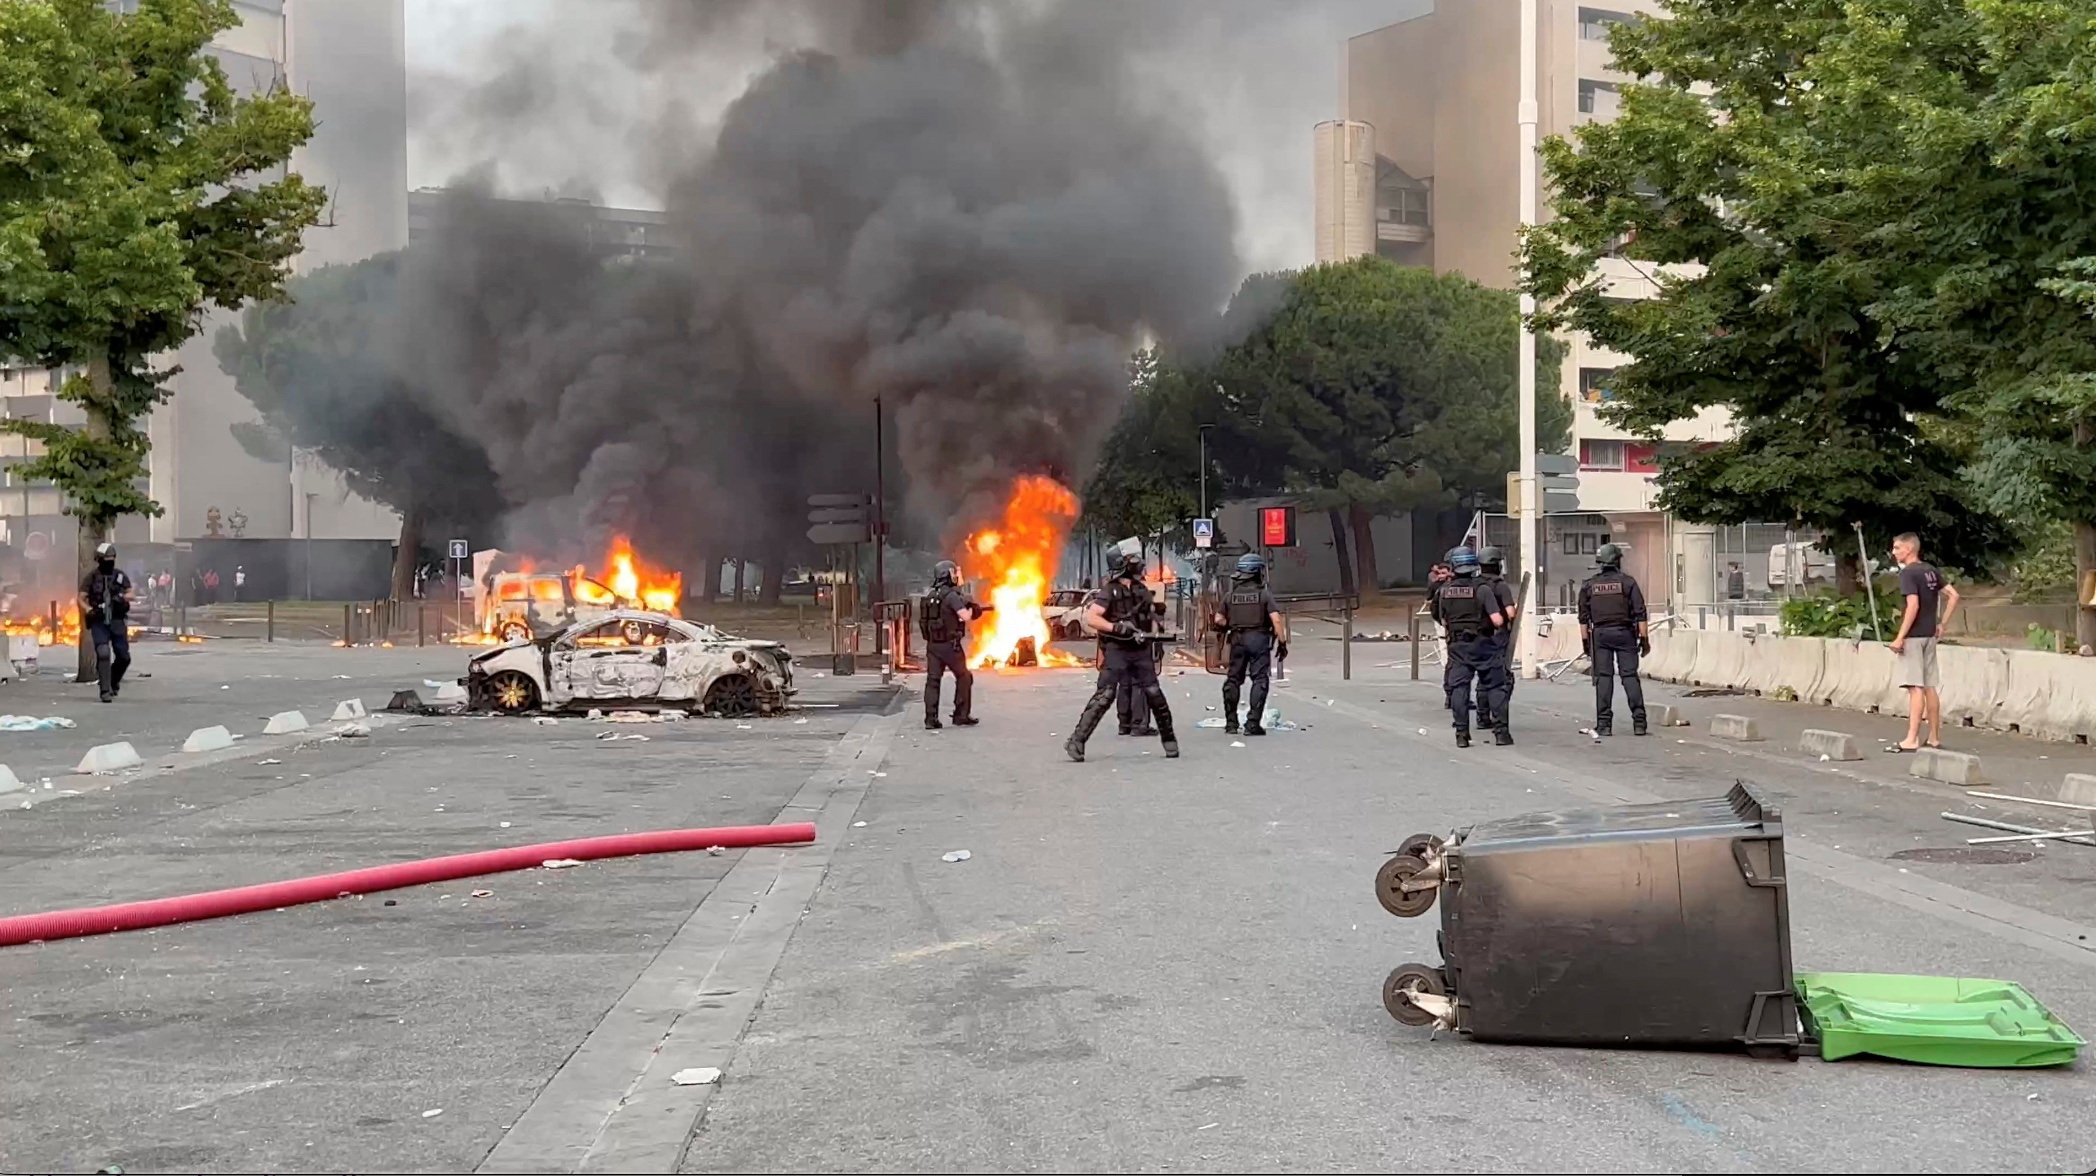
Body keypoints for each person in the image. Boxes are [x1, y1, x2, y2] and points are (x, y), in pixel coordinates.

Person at [1065, 550, 1178, 762]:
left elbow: (1150, 619)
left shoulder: (1141, 590)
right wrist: (1116, 628)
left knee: (1154, 693)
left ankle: (1169, 740)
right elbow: (1092, 618)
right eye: (1131, 560)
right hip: (1117, 649)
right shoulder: (1110, 590)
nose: (1137, 563)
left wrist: (1155, 635)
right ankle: (1077, 740)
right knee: (1105, 695)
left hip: (1140, 649)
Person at [1429, 546, 1509, 748]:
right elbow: (1498, 620)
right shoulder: (1483, 589)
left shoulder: (1444, 591)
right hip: (1484, 645)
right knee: (1495, 686)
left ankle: (1462, 735)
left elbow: (1439, 617)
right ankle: (1501, 734)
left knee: (1459, 688)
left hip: (1457, 646)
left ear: (1454, 566)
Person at [1890, 532, 1960, 752]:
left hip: (1914, 637)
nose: (1894, 552)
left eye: (1897, 548)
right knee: (1930, 686)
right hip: (1930, 635)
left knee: (1915, 687)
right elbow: (1953, 595)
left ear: (1909, 549)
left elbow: (1913, 605)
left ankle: (1911, 738)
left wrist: (1900, 637)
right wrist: (1942, 624)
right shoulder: (1930, 570)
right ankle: (1934, 737)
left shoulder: (1908, 574)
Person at [1578, 542, 1650, 736]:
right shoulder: (1628, 582)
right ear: (1617, 561)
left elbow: (1583, 619)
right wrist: (1644, 639)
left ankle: (1604, 725)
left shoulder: (1589, 585)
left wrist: (1586, 642)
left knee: (1604, 679)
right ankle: (1639, 723)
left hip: (1600, 635)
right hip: (1625, 634)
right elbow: (1640, 613)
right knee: (1629, 677)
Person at [1212, 552, 1284, 735]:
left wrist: (1230, 625)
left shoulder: (1230, 595)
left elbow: (1218, 619)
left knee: (1233, 680)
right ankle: (1252, 724)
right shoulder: (1264, 595)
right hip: (1259, 640)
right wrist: (1282, 643)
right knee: (1259, 679)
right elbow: (1276, 620)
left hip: (1237, 640)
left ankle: (1231, 723)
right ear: (1257, 573)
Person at [918, 560, 986, 730]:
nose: (956, 576)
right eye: (954, 573)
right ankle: (960, 715)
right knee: (964, 677)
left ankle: (930, 719)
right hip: (950, 646)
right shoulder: (951, 596)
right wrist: (973, 611)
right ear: (947, 575)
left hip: (933, 646)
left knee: (933, 681)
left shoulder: (931, 596)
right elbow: (964, 616)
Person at [80, 541, 134, 703]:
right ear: (99, 559)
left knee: (124, 657)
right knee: (103, 653)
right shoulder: (91, 577)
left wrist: (121, 597)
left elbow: (131, 593)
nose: (109, 561)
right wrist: (88, 609)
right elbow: (80, 598)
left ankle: (113, 682)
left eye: (111, 558)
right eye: (106, 558)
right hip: (99, 621)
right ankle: (105, 690)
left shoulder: (120, 576)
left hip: (117, 620)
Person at [1474, 545, 1520, 731]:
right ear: (1498, 565)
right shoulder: (1500, 586)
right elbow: (1510, 613)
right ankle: (1498, 716)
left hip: (1478, 636)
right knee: (1501, 678)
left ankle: (1481, 716)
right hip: (1497, 637)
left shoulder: (1475, 584)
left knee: (1482, 677)